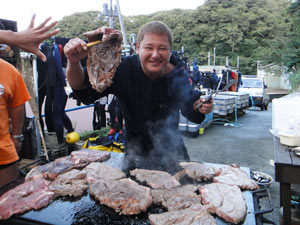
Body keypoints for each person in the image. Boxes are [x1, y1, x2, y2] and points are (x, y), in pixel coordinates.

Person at [64, 21, 213, 170]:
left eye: (162, 48)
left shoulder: (177, 72)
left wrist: (200, 107)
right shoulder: (123, 69)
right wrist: (73, 61)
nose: (155, 55)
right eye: (149, 47)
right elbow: (82, 87)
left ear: (169, 50)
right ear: (137, 47)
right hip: (135, 151)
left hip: (172, 151)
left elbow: (189, 106)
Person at [0, 15, 59, 188]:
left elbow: (17, 105)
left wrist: (17, 136)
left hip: (3, 154)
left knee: (6, 204)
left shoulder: (9, 71)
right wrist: (14, 36)